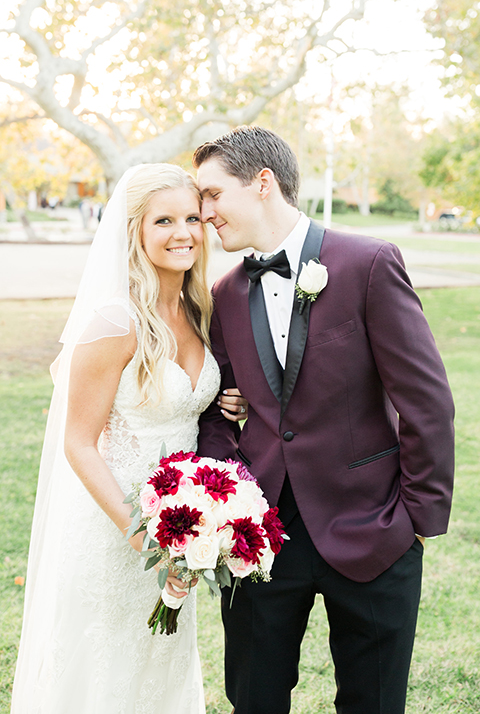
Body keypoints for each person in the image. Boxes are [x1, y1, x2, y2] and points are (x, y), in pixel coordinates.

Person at [194, 126, 455, 714]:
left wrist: (417, 520)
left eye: (212, 195)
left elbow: (426, 401)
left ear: (262, 183)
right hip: (260, 539)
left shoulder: (367, 263)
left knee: (374, 701)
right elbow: (217, 409)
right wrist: (230, 498)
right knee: (254, 698)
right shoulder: (225, 294)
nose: (203, 212)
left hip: (374, 528)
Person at [11, 163, 247, 714]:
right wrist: (142, 535)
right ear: (133, 231)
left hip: (183, 521)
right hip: (113, 525)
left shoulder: (198, 310)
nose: (184, 232)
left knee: (157, 662)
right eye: (163, 220)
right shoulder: (115, 321)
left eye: (192, 217)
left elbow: (187, 404)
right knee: (103, 670)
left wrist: (223, 400)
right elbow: (79, 442)